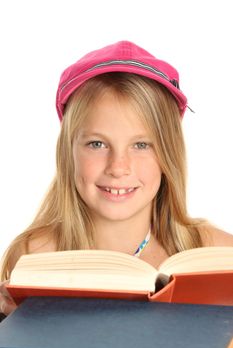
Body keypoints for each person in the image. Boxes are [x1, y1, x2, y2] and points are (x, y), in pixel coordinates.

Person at [1, 40, 233, 317]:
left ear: (168, 154)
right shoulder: (35, 258)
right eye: (97, 144)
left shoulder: (216, 255)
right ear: (68, 152)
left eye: (141, 145)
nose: (118, 167)